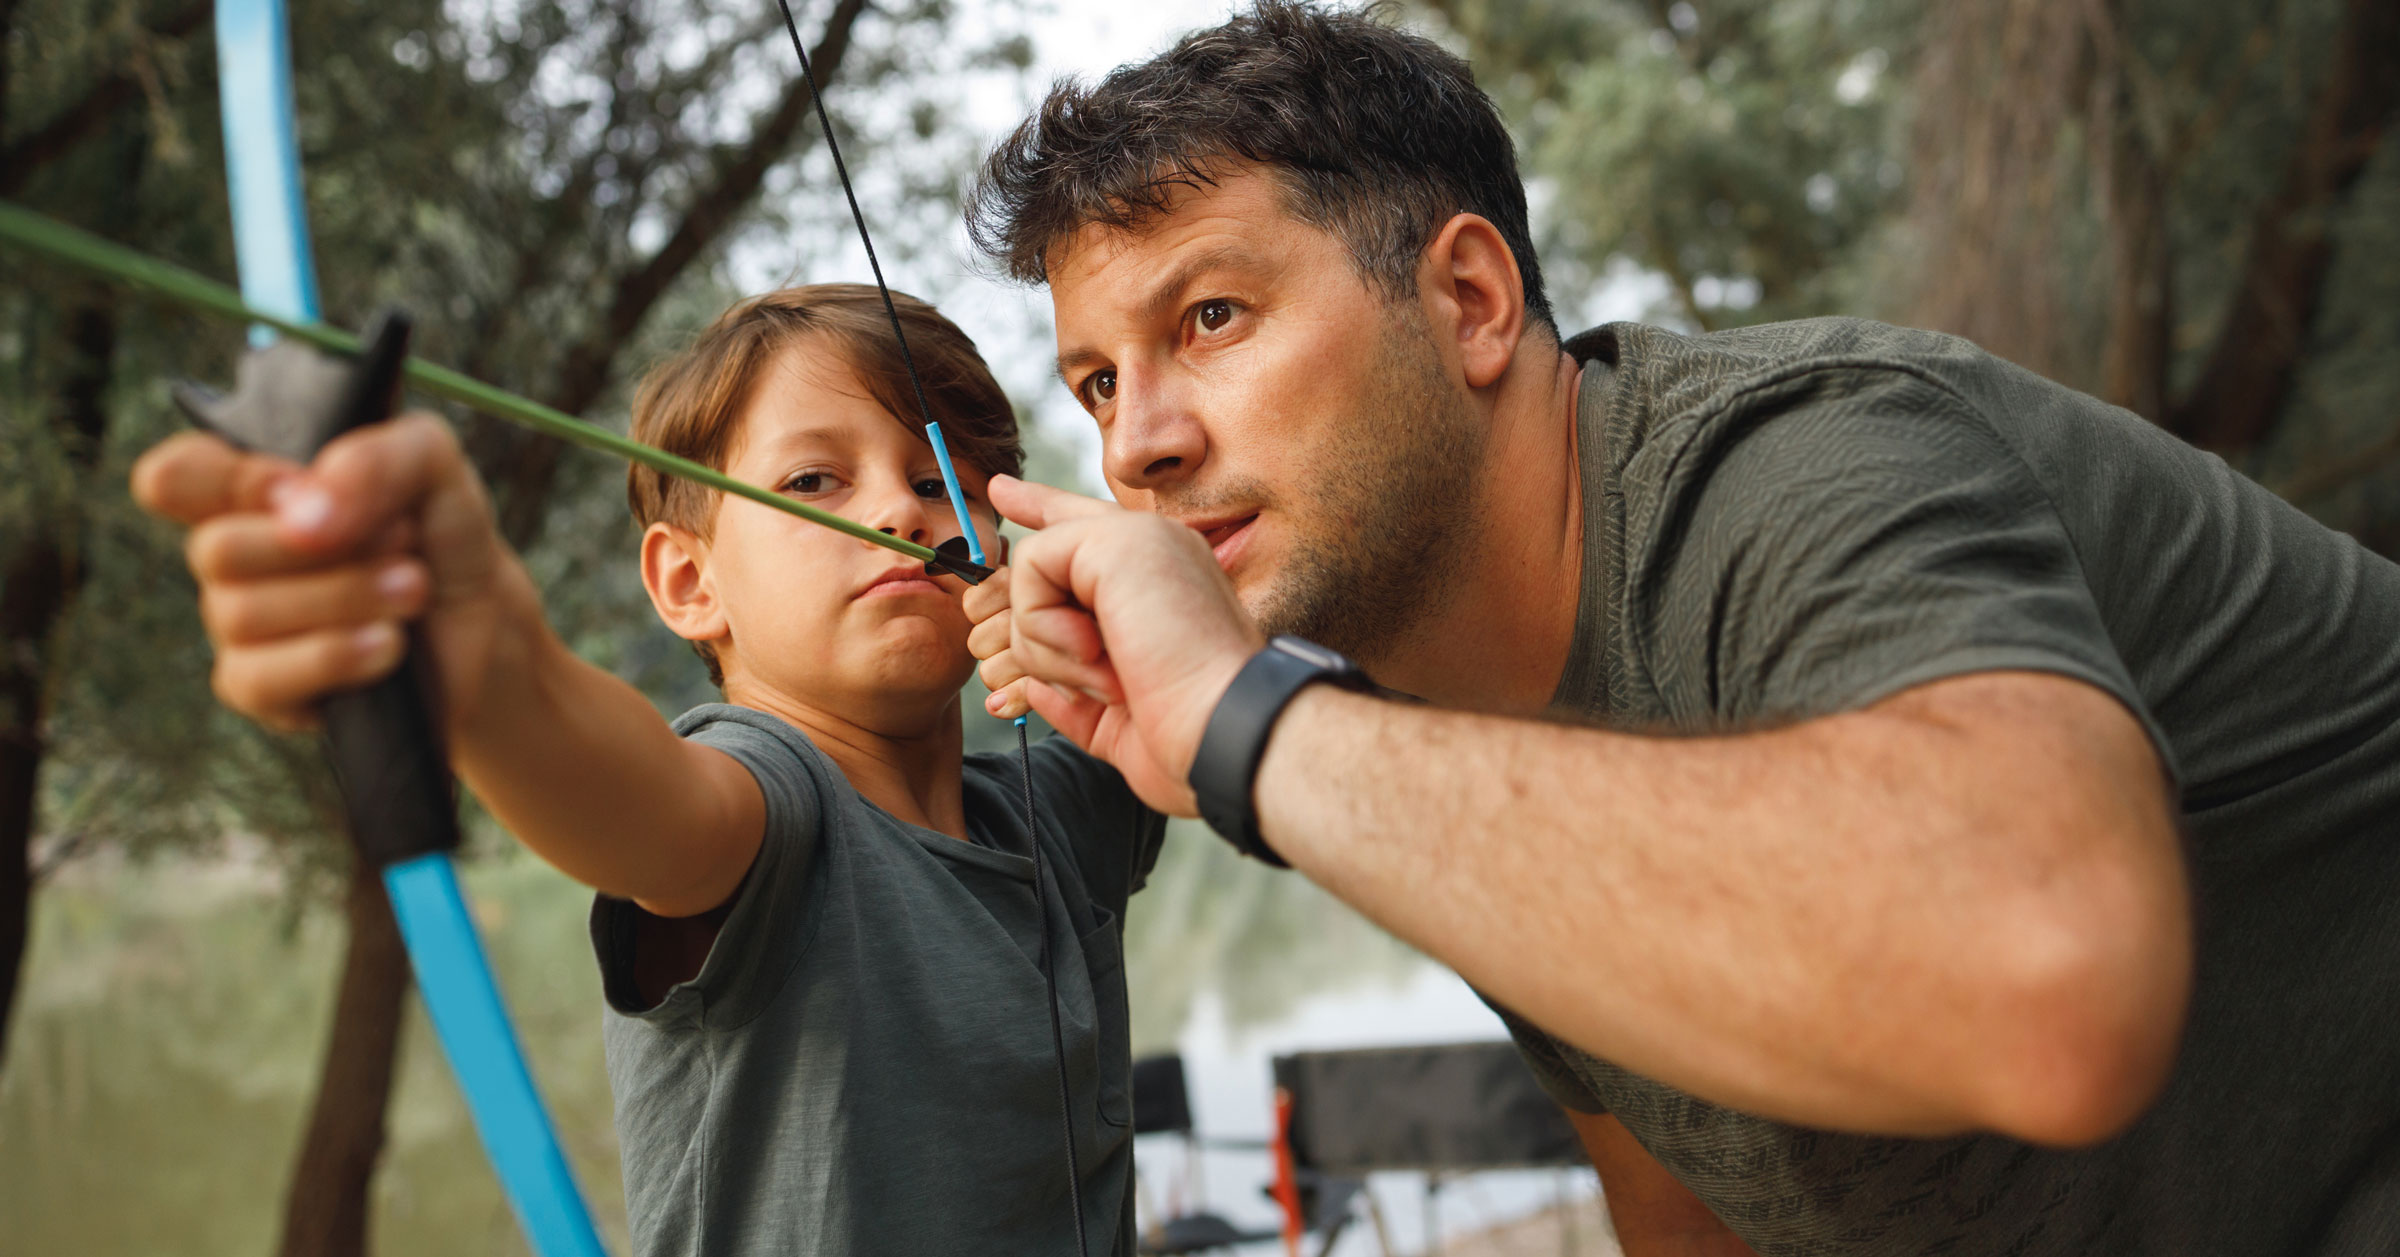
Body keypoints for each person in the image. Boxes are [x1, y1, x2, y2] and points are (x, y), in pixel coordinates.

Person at [959, 4, 2400, 1255]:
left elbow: (2048, 981)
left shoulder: (1805, 454)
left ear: (1469, 299)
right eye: (1093, 381)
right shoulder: (1429, 709)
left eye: (1211, 316)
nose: (1135, 444)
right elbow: (1688, 1208)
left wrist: (1247, 723)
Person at [131, 285, 1162, 1256]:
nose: (900, 509)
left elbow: (1254, 662)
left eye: (942, 480)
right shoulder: (768, 802)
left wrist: (1145, 626)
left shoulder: (1061, 805)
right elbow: (637, 797)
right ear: (687, 581)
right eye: (815, 479)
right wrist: (489, 661)